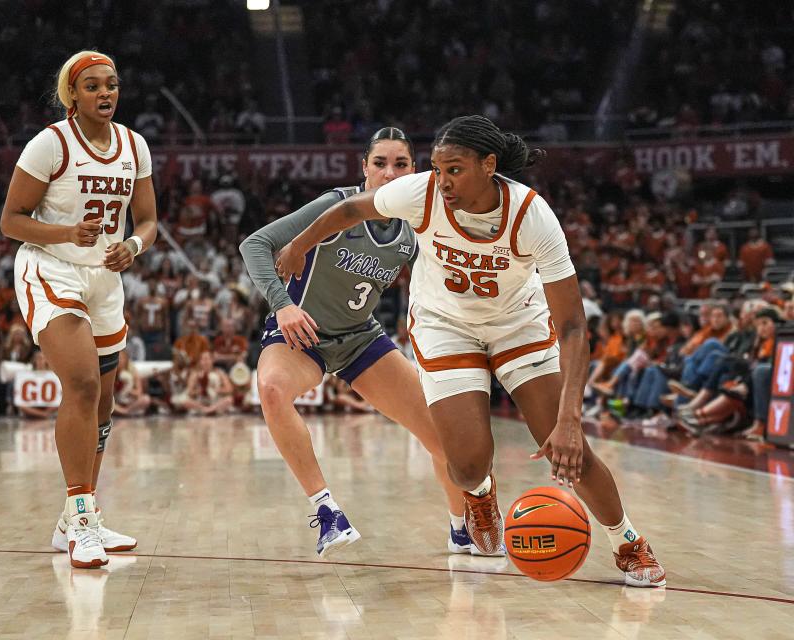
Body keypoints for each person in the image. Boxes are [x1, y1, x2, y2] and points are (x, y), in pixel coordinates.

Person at [276, 115, 665, 586]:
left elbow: (573, 326)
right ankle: (481, 494)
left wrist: (570, 419)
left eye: (455, 170)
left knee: (570, 451)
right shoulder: (420, 193)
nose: (443, 182)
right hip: (446, 326)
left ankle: (628, 544)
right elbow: (348, 210)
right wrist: (299, 245)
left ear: (489, 165)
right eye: (438, 170)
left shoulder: (532, 215)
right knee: (464, 465)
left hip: (517, 324)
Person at [240, 127, 470, 558]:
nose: (388, 172)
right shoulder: (335, 205)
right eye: (379, 163)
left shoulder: (415, 225)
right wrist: (283, 304)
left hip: (360, 337)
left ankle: (462, 529)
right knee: (271, 391)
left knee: (442, 439)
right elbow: (255, 245)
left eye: (400, 164)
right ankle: (327, 512)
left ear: (414, 171)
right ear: (363, 168)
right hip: (300, 334)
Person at [0, 50, 158, 569]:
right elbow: (11, 220)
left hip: (104, 278)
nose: (104, 93)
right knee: (84, 384)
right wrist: (66, 232)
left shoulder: (135, 145)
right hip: (51, 268)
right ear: (73, 94)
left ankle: (75, 516)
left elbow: (148, 221)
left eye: (110, 84)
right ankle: (82, 516)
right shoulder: (50, 143)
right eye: (92, 86)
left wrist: (132, 248)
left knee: (104, 405)